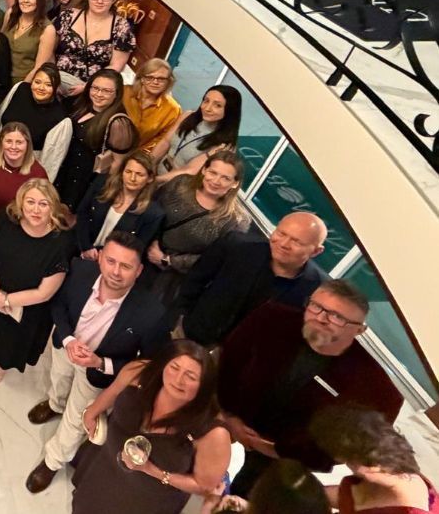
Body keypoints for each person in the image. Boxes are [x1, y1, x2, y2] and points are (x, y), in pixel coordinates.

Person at [218, 283, 403, 497]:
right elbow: (230, 362)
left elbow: (345, 444)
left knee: (251, 496)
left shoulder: (374, 386)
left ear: (359, 330)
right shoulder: (272, 319)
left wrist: (275, 450)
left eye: (337, 317)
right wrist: (230, 415)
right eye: (316, 306)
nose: (321, 318)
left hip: (285, 452)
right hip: (234, 413)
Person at [23, 232, 170, 494]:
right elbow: (59, 305)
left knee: (77, 418)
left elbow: (147, 362)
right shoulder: (79, 272)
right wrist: (68, 339)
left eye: (126, 266)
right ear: (100, 258)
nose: (116, 271)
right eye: (111, 261)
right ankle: (55, 404)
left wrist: (100, 362)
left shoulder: (152, 313)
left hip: (99, 371)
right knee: (58, 380)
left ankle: (53, 460)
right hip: (65, 346)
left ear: (139, 271)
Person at [70, 340, 231, 513]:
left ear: (204, 386)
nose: (178, 380)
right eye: (174, 368)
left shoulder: (214, 433)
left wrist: (152, 470)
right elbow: (113, 391)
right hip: (105, 469)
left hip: (147, 499)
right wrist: (92, 413)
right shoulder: (140, 372)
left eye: (190, 376)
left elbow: (204, 486)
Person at [177, 211, 327, 346]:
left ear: (316, 251)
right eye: (281, 233)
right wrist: (178, 320)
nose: (283, 244)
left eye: (296, 241)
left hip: (235, 363)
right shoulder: (237, 245)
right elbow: (195, 279)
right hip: (188, 335)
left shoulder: (319, 289)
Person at [0, 178, 74, 384]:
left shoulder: (61, 243)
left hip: (28, 307)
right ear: (21, 202)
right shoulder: (7, 218)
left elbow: (44, 293)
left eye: (43, 203)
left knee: (10, 343)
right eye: (30, 202)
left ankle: (1, 364)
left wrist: (5, 301)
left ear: (53, 207)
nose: (36, 210)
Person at [147, 150, 248, 304]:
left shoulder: (233, 221)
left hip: (171, 280)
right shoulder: (180, 184)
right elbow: (152, 208)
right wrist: (152, 241)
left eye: (225, 178)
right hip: (143, 249)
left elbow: (214, 258)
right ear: (204, 169)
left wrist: (167, 260)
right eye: (213, 172)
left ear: (234, 183)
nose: (216, 181)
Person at [313, 407, 439, 513]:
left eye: (346, 459)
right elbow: (345, 498)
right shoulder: (385, 473)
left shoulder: (409, 508)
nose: (341, 461)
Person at [51, 68, 137, 211]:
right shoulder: (82, 105)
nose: (99, 94)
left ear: (117, 94)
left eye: (106, 91)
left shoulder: (119, 123)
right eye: (95, 88)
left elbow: (118, 163)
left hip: (84, 181)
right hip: (65, 169)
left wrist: (103, 191)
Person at [74, 152, 164, 260]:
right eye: (128, 171)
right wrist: (86, 247)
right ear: (122, 172)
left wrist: (100, 255)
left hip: (113, 261)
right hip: (79, 244)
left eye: (139, 174)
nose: (132, 178)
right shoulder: (102, 184)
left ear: (149, 178)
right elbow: (82, 213)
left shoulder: (153, 213)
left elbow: (136, 247)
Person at [54, 0, 136, 96]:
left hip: (92, 89)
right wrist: (51, 75)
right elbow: (49, 48)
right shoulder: (68, 16)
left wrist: (89, 86)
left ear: (114, 0)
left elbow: (116, 65)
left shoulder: (121, 27)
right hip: (56, 78)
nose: (100, 1)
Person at [0, 64, 69, 175]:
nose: (41, 88)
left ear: (56, 87)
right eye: (37, 82)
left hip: (25, 170)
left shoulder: (60, 119)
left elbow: (51, 163)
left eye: (48, 85)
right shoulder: (20, 89)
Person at [152, 85, 243, 183]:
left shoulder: (224, 144)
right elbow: (165, 142)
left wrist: (155, 181)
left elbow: (190, 171)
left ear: (230, 110)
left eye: (217, 105)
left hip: (176, 186)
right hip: (156, 174)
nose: (207, 108)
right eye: (206, 101)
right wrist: (146, 167)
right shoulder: (188, 116)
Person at [0, 122, 48, 230]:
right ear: (1, 142)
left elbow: (40, 210)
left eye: (19, 142)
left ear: (27, 144)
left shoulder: (38, 173)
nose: (13, 147)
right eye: (9, 141)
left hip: (18, 228)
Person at [3, 0, 56, 84]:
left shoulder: (48, 29)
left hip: (24, 82)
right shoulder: (10, 14)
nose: (25, 0)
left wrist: (20, 89)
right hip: (0, 77)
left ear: (39, 0)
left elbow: (38, 68)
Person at [123, 58, 182, 152]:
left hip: (136, 155)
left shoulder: (173, 109)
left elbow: (161, 140)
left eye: (161, 79)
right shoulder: (124, 92)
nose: (155, 82)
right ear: (142, 79)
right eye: (150, 77)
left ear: (168, 82)